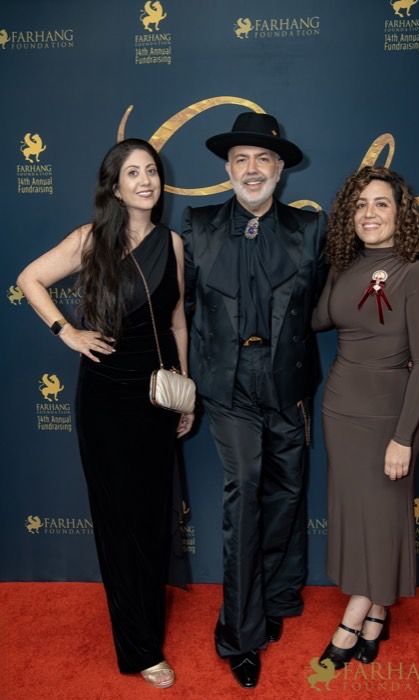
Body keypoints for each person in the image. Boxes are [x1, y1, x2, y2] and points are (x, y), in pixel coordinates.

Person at [17, 138, 194, 689]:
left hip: (157, 398)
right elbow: (29, 279)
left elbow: (178, 321)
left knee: (154, 519)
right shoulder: (90, 240)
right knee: (120, 525)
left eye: (152, 171)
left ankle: (147, 622)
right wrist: (67, 331)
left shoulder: (173, 243)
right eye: (133, 172)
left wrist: (185, 389)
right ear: (114, 186)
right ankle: (141, 648)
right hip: (106, 400)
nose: (145, 180)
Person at [182, 112, 327, 688]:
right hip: (228, 383)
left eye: (263, 159)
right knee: (245, 491)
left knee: (285, 493)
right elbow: (180, 309)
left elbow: (327, 301)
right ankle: (239, 634)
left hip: (288, 380)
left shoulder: (310, 229)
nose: (251, 169)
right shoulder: (198, 226)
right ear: (227, 169)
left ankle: (273, 598)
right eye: (240, 159)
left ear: (280, 169)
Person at [312, 166, 419, 669]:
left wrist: (403, 437)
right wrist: (325, 270)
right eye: (360, 204)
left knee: (383, 517)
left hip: (390, 419)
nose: (369, 214)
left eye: (381, 203)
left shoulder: (413, 275)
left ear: (400, 214)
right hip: (340, 410)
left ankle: (353, 617)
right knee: (358, 516)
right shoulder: (345, 267)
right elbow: (320, 319)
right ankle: (378, 611)